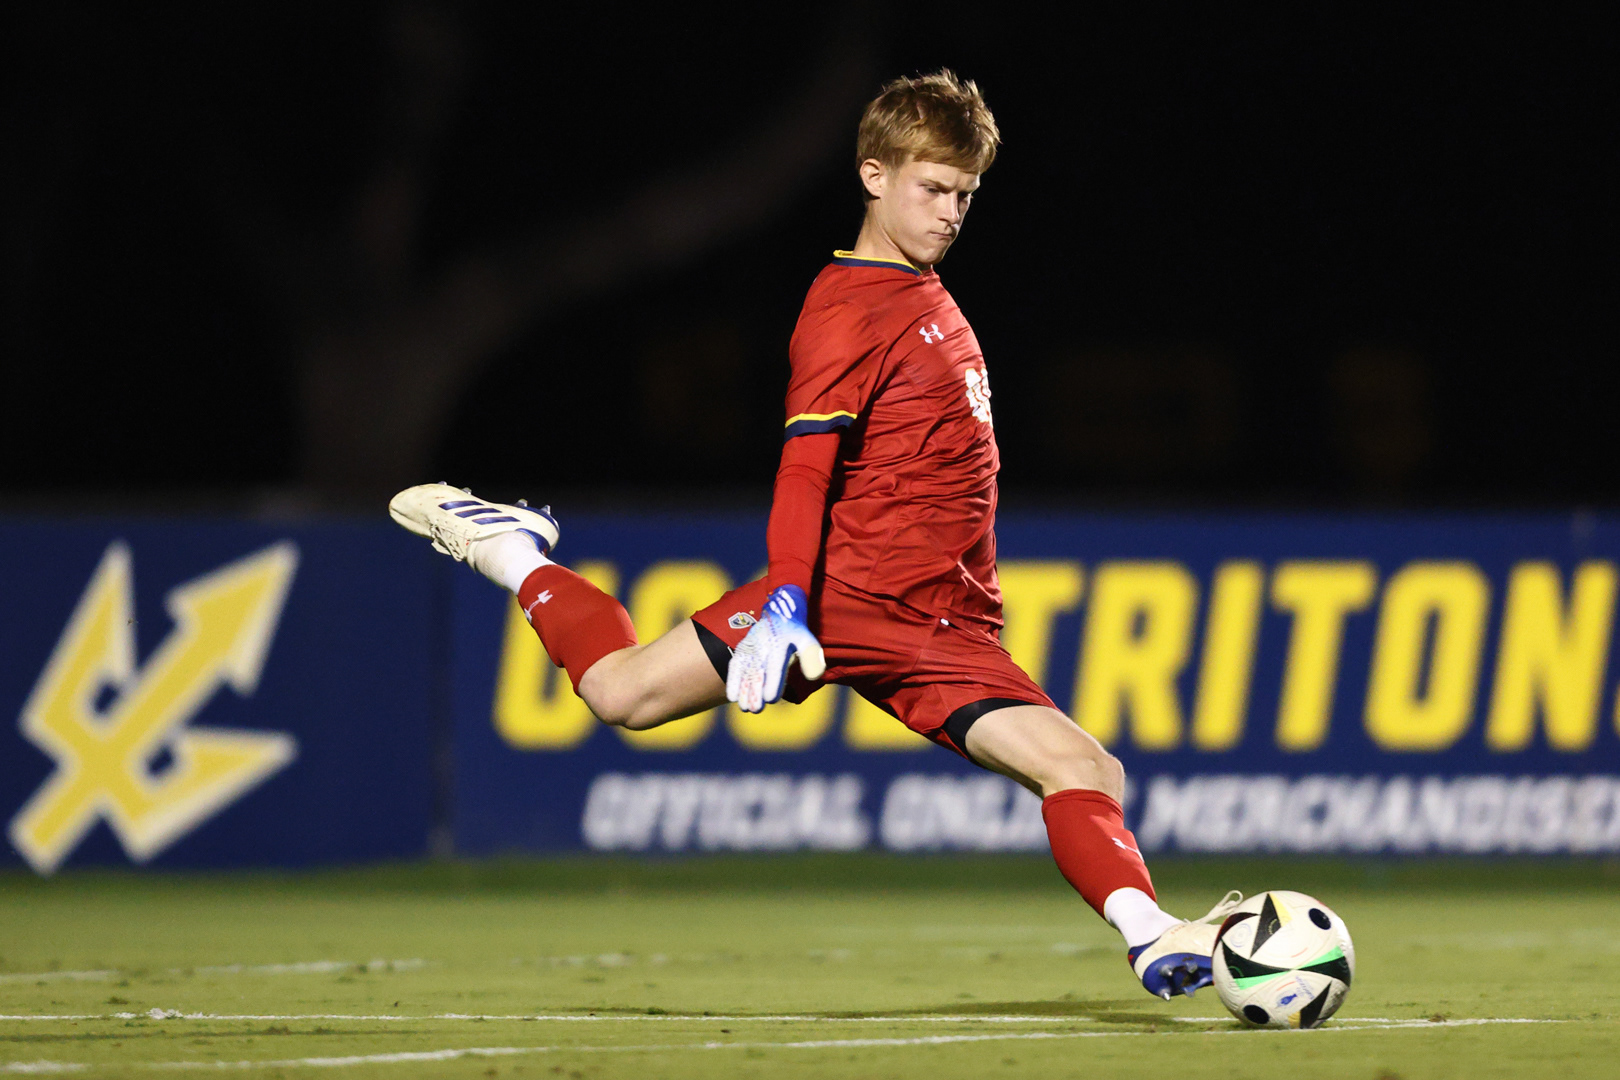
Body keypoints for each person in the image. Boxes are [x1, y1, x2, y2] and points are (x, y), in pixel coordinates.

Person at [390, 70, 1239, 999]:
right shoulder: (847, 307)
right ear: (874, 176)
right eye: (933, 189)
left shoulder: (927, 296)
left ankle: (1152, 936)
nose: (951, 212)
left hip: (945, 627)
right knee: (622, 697)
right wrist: (791, 594)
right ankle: (511, 552)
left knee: (1086, 767)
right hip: (842, 599)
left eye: (965, 195)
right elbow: (805, 472)